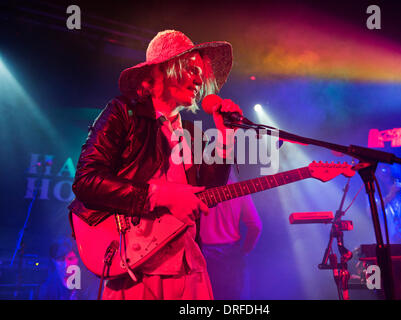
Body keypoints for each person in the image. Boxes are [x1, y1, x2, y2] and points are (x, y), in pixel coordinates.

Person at [69, 30, 243, 300]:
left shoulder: (191, 134)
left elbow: (209, 192)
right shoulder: (123, 112)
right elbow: (87, 181)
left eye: (200, 73)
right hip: (135, 267)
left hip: (188, 265)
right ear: (164, 70)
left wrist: (226, 135)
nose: (199, 80)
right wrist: (160, 195)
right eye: (191, 70)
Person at [200, 167, 262, 299]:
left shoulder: (197, 190)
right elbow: (256, 226)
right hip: (231, 256)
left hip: (203, 256)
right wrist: (245, 250)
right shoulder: (240, 190)